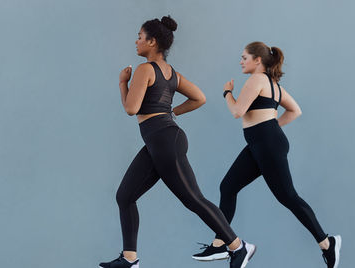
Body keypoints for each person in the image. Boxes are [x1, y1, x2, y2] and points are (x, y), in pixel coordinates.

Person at [99, 16, 256, 268]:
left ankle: (239, 247)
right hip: (160, 141)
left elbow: (131, 108)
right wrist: (172, 112)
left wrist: (121, 83)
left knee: (193, 198)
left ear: (152, 42)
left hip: (164, 140)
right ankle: (130, 259)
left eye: (140, 37)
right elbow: (200, 98)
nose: (136, 41)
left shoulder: (145, 69)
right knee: (125, 196)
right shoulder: (171, 74)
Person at [191, 41, 341, 268]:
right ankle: (221, 243)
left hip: (267, 144)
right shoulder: (273, 85)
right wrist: (272, 127)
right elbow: (295, 110)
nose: (241, 61)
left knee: (288, 196)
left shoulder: (257, 80)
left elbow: (237, 111)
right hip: (260, 143)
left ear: (257, 60)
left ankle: (327, 243)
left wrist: (227, 93)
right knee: (228, 187)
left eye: (244, 57)